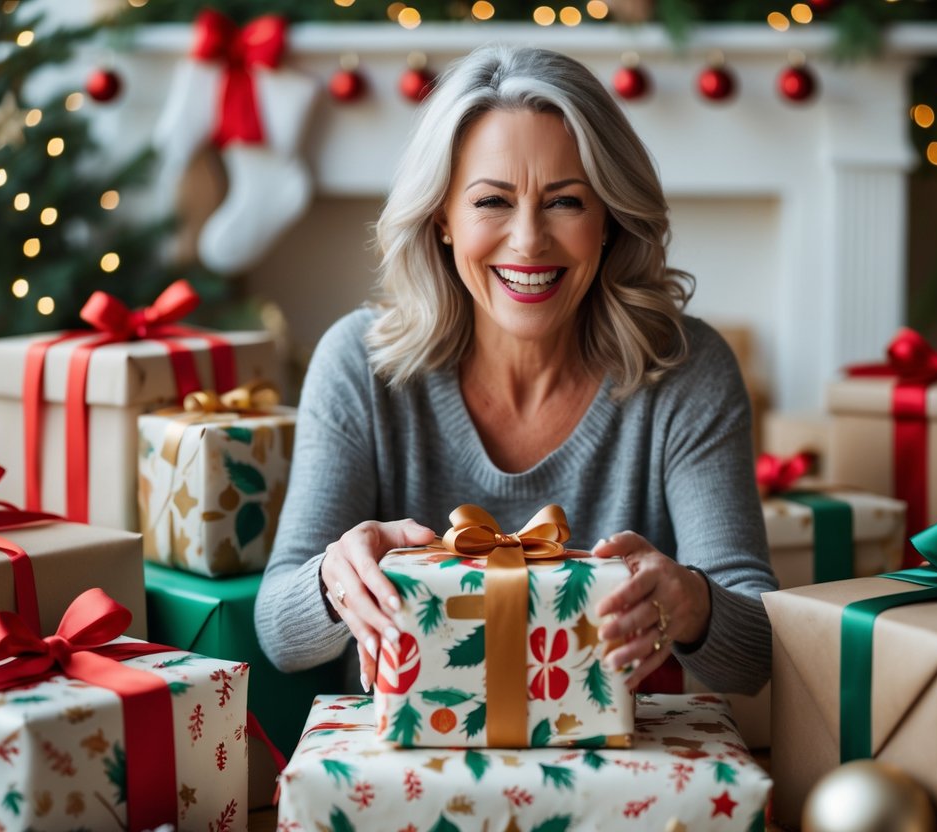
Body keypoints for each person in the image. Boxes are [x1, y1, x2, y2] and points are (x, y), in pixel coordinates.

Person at [255, 44, 777, 697]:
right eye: (491, 201)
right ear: (442, 217)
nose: (528, 241)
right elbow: (277, 633)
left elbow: (758, 653)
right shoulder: (358, 363)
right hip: (402, 771)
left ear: (609, 219)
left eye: (564, 202)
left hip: (616, 773)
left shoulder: (686, 371)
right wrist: (334, 577)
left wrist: (693, 601)